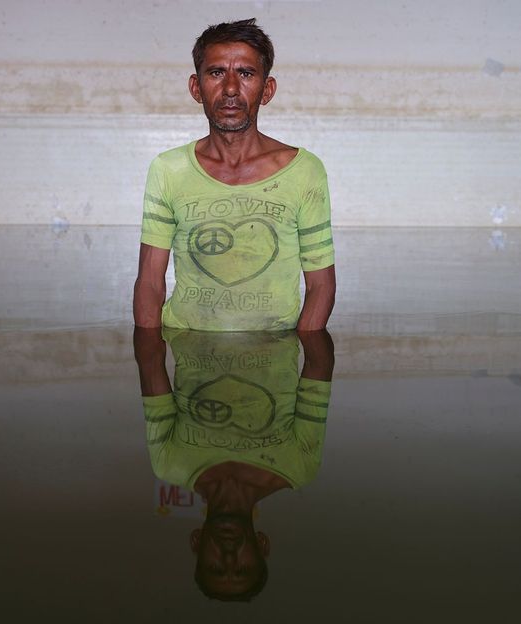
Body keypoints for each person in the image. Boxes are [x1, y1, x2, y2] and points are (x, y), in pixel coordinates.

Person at [133, 18, 336, 331]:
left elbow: (321, 286)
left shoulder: (304, 170)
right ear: (195, 87)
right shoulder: (168, 169)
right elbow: (149, 282)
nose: (230, 89)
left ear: (267, 90)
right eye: (216, 73)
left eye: (245, 73)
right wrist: (151, 370)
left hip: (274, 354)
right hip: (188, 348)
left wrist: (311, 378)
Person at [133, 326, 334, 600]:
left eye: (215, 567)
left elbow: (149, 359)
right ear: (262, 545)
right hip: (272, 326)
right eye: (243, 569)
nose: (229, 557)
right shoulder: (298, 467)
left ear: (196, 543)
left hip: (194, 326)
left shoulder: (169, 464)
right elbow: (319, 362)